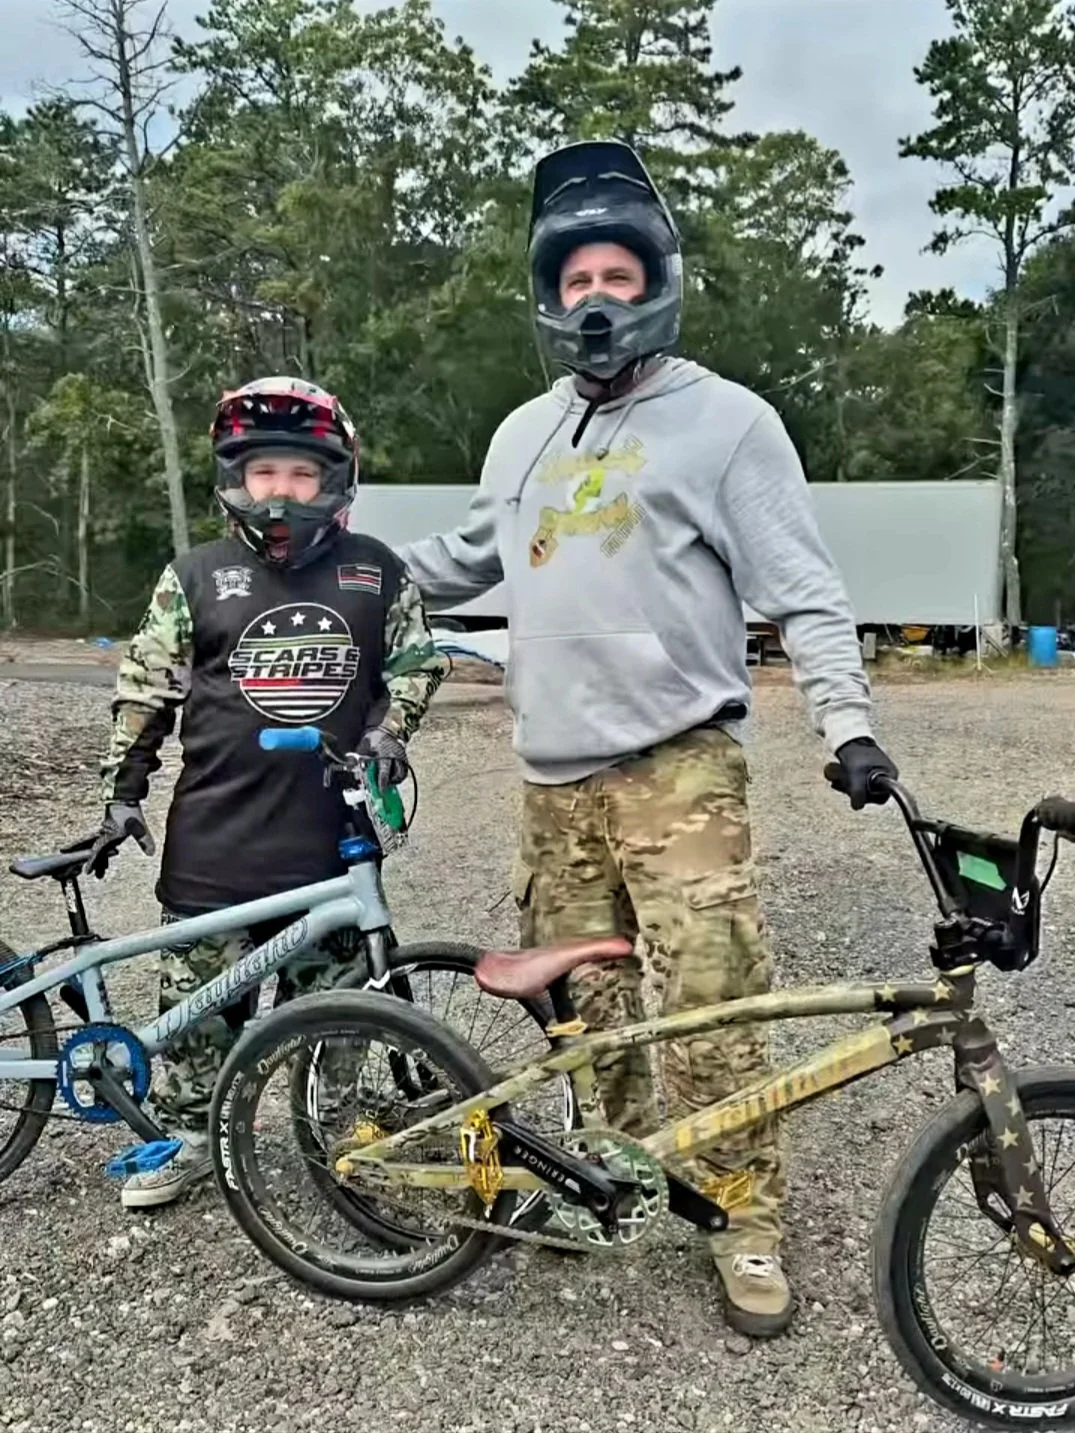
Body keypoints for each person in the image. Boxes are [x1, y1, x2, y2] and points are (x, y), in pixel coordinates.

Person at [395, 140, 898, 1338]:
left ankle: (742, 1217)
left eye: (618, 274)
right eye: (576, 281)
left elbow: (805, 590)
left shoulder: (727, 423)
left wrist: (849, 722)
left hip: (680, 766)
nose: (596, 298)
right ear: (549, 297)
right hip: (550, 777)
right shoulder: (521, 431)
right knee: (588, 1006)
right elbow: (466, 559)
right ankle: (609, 1180)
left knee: (714, 999)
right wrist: (337, 568)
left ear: (657, 282)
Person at [89, 375, 449, 1210]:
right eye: (264, 474)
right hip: (216, 842)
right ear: (236, 479)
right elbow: (147, 687)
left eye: (299, 474)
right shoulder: (196, 576)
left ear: (333, 479)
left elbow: (417, 663)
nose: (281, 491)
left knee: (340, 1006)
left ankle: (333, 1123)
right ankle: (184, 1136)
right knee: (199, 1014)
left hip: (331, 842)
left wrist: (390, 734)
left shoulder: (375, 572)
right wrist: (122, 791)